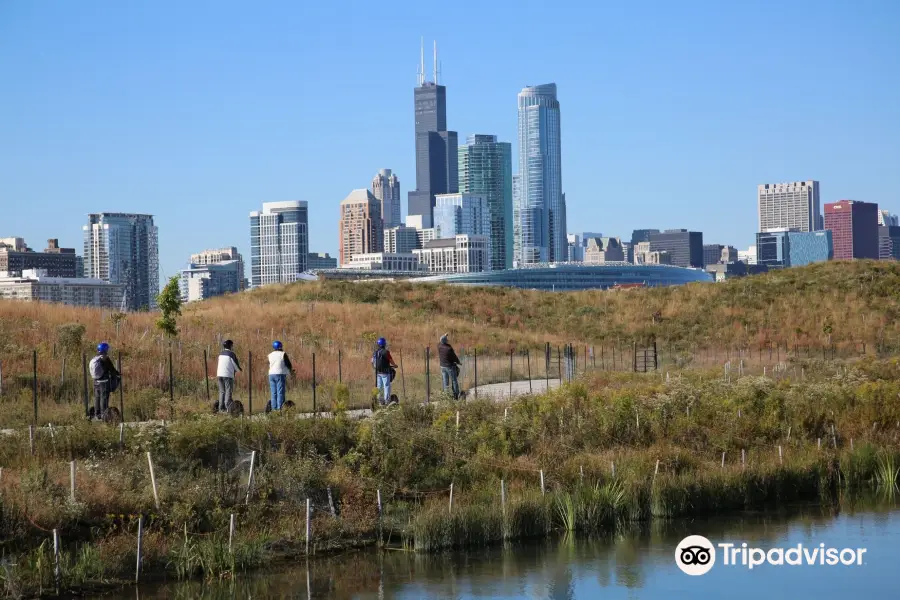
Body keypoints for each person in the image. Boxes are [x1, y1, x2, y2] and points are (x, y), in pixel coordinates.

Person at [89, 342, 120, 420]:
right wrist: (117, 375)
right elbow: (111, 369)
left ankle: (97, 414)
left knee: (97, 397)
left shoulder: (95, 358)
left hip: (96, 382)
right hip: (104, 382)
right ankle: (104, 415)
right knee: (104, 398)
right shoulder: (105, 358)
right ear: (105, 349)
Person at [216, 339, 242, 413]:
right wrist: (239, 370)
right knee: (228, 390)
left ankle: (221, 408)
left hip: (219, 374)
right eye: (232, 345)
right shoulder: (231, 354)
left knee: (222, 391)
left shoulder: (221, 354)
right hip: (227, 375)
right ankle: (228, 407)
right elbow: (235, 365)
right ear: (230, 346)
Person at [267, 340, 293, 411]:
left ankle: (274, 409)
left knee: (273, 392)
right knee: (280, 392)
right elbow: (288, 364)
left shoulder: (270, 355)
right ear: (280, 346)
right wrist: (291, 371)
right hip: (280, 374)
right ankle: (279, 409)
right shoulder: (283, 354)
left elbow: (269, 364)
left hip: (271, 375)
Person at [372, 337, 398, 406]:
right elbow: (391, 360)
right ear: (384, 344)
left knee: (379, 387)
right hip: (385, 372)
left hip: (378, 372)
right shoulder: (386, 352)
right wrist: (395, 365)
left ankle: (380, 401)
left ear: (378, 344)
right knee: (386, 386)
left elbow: (372, 361)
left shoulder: (376, 352)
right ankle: (387, 401)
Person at [438, 333, 461, 399]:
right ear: (446, 341)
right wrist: (458, 362)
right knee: (454, 380)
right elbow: (454, 357)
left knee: (445, 382)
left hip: (442, 367)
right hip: (449, 367)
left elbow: (441, 341)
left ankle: (446, 396)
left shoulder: (439, 346)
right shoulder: (449, 348)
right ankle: (456, 395)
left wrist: (445, 335)